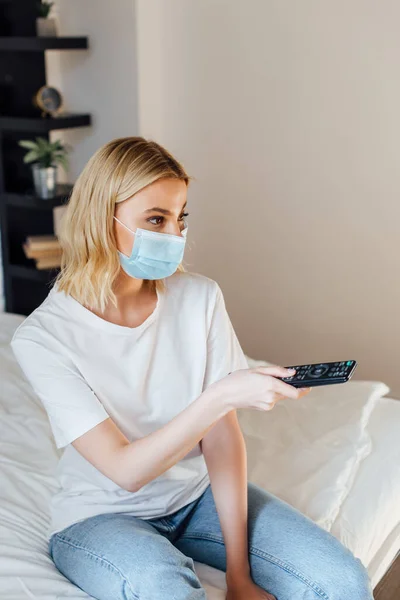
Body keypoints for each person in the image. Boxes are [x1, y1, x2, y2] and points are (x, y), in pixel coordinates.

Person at [11, 137, 373, 600]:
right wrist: (221, 396)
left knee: (341, 581)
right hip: (101, 516)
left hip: (194, 500)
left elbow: (222, 438)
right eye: (156, 220)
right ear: (103, 219)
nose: (174, 236)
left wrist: (240, 576)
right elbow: (125, 471)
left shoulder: (200, 299)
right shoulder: (44, 337)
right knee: (168, 589)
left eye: (180, 218)